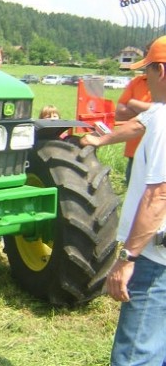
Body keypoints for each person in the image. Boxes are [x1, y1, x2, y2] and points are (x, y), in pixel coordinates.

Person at [81, 34, 166, 366]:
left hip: (154, 257)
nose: (143, 80)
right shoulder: (158, 113)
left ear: (161, 71)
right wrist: (98, 139)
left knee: (135, 355)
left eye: (147, 73)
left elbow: (159, 195)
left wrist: (128, 258)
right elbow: (134, 125)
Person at [115, 50, 152, 183]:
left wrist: (133, 103)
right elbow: (119, 113)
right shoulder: (137, 81)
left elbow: (159, 113)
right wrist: (148, 111)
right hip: (135, 152)